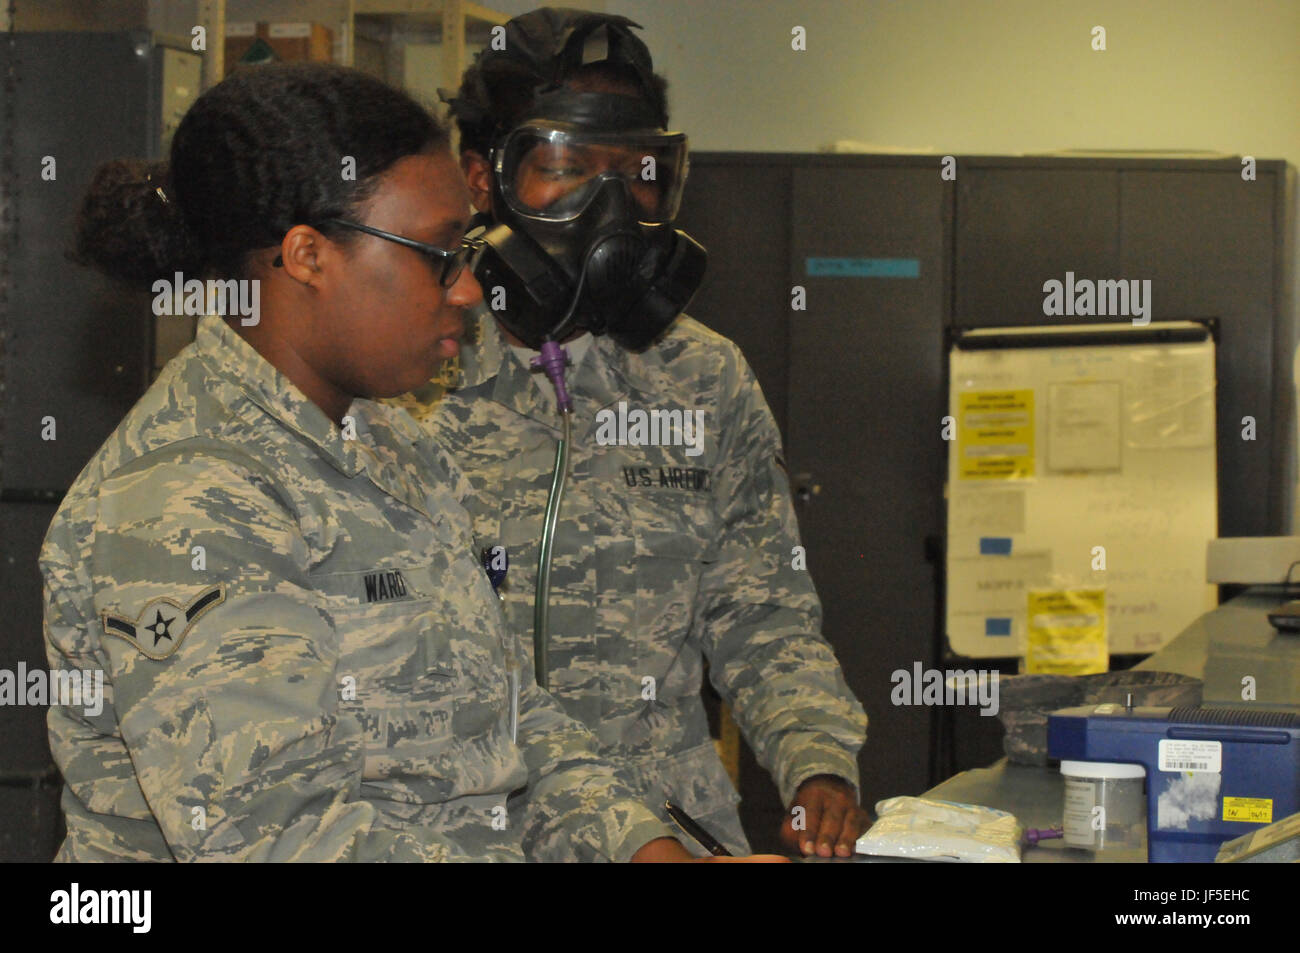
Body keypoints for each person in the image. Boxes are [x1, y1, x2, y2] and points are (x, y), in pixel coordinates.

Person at [43, 61, 754, 862]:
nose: (469, 292)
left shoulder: (397, 446)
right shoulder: (185, 494)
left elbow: (513, 717)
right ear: (309, 256)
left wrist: (642, 848)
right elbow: (281, 837)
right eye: (439, 255)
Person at [393, 9, 870, 858]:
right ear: (480, 177)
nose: (610, 201)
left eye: (640, 171)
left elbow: (761, 612)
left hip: (671, 834)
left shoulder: (703, 377)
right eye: (566, 166)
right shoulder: (401, 375)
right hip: (461, 834)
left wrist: (818, 764)